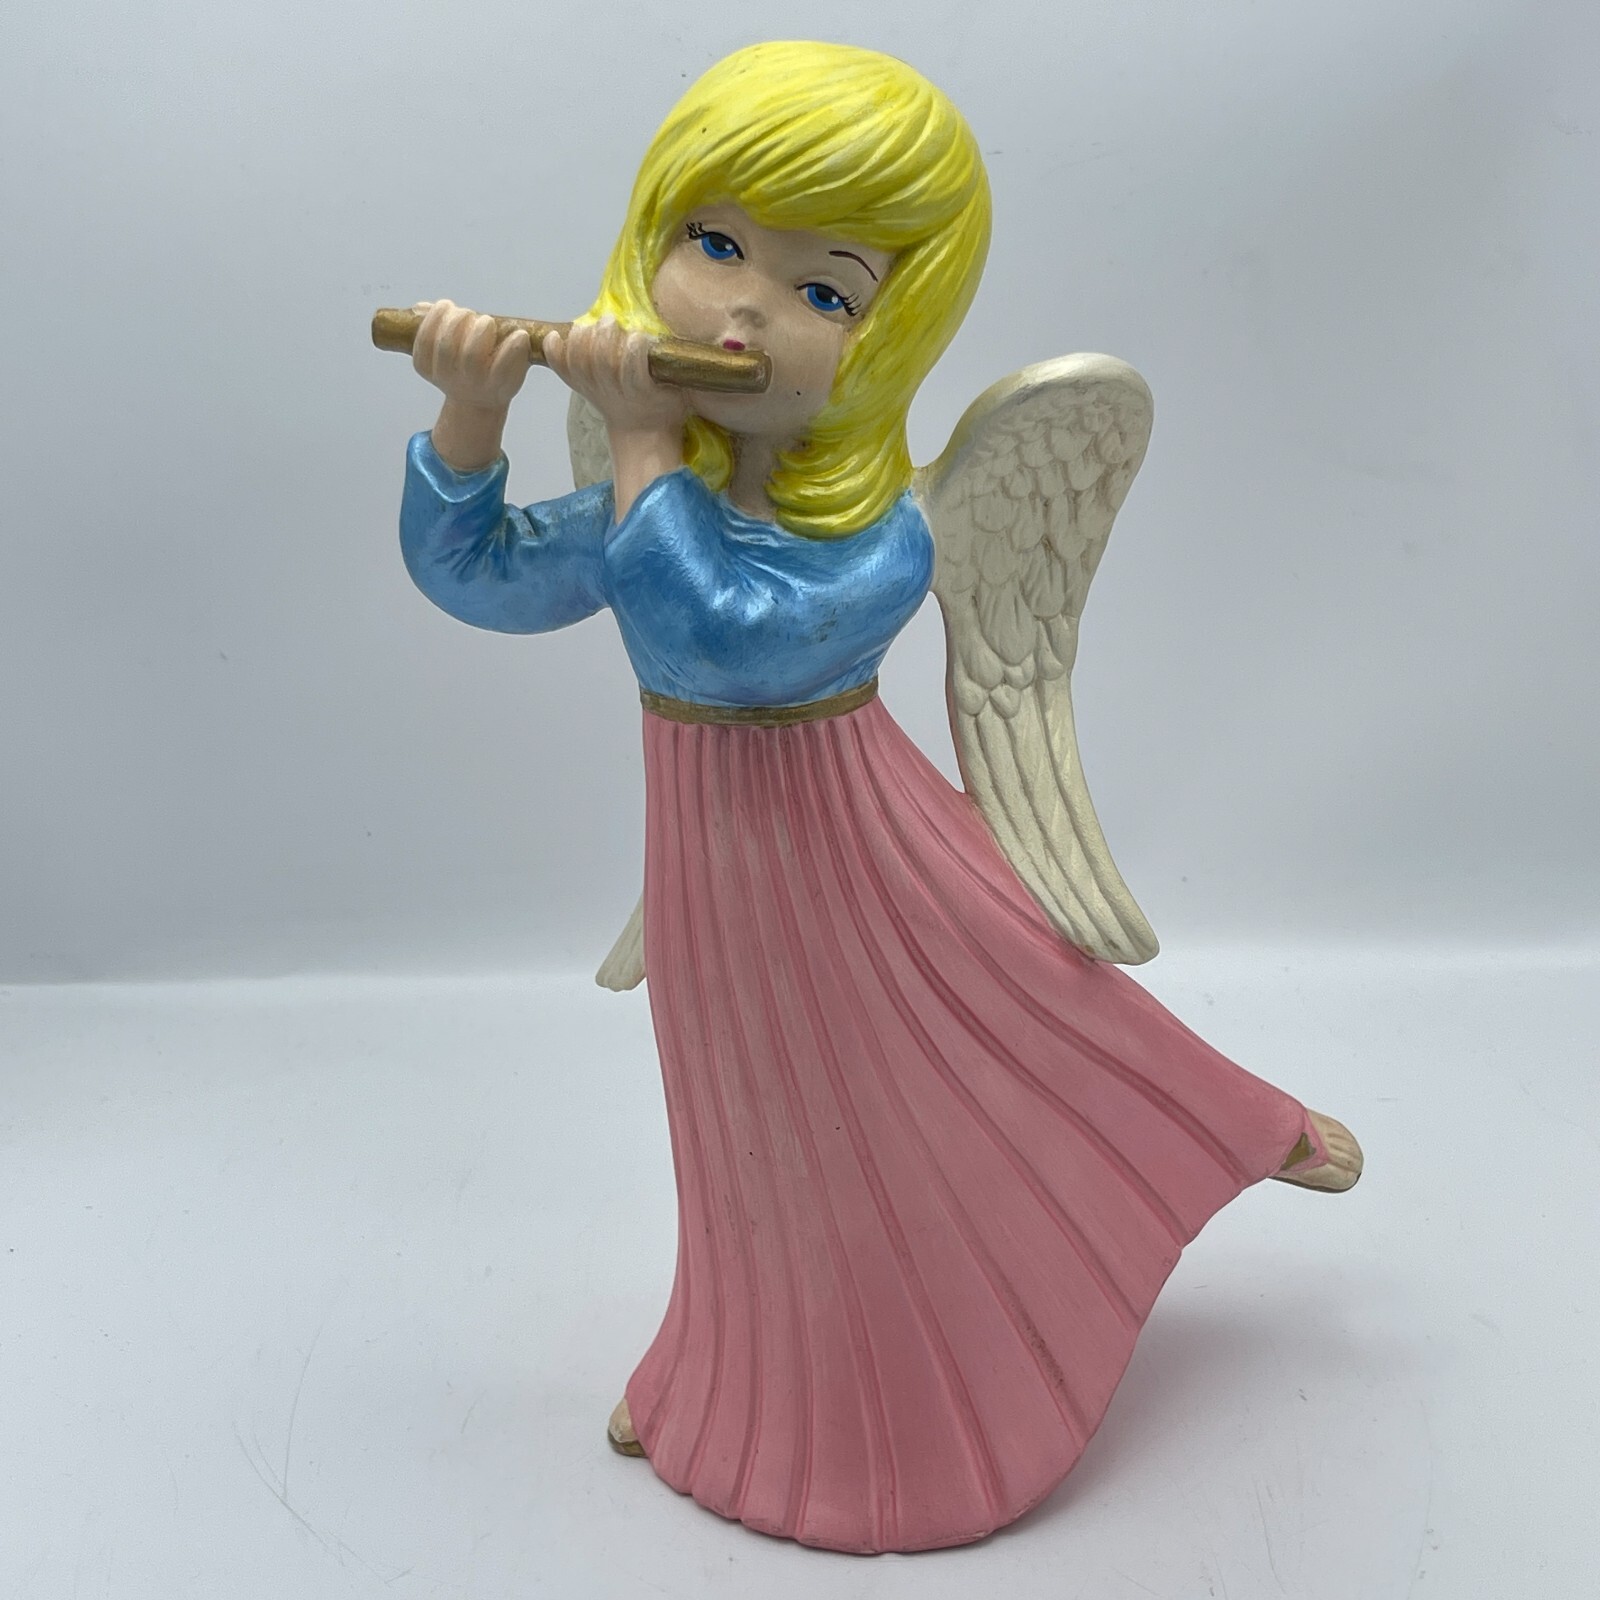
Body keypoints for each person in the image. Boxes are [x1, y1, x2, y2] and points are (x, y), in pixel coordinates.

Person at [395, 40, 1362, 1555]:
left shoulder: (883, 537)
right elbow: (479, 579)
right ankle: (727, 1377)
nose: (743, 311)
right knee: (743, 1132)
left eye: (824, 290)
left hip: (858, 869)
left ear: (887, 338)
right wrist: (468, 420)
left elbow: (724, 633)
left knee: (913, 1110)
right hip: (716, 871)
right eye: (714, 244)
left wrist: (639, 437)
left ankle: (981, 1366)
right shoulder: (654, 493)